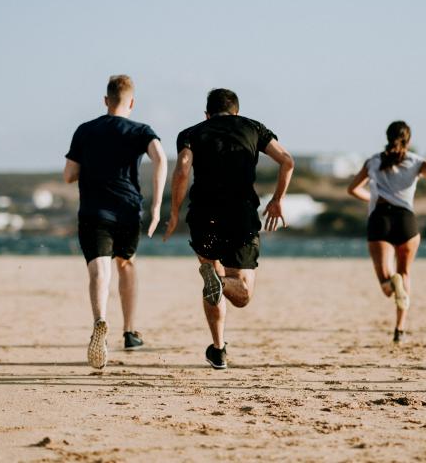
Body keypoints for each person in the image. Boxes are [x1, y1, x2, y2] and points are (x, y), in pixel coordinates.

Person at [164, 88, 294, 370]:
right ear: (236, 111)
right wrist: (277, 199)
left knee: (211, 276)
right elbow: (287, 161)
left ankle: (219, 348)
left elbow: (183, 169)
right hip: (241, 217)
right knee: (243, 293)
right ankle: (221, 283)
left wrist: (174, 212)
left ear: (207, 114)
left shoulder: (191, 132)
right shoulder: (253, 127)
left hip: (203, 216)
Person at [64, 75, 167, 369]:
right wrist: (157, 205)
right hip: (128, 210)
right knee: (125, 263)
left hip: (94, 212)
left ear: (106, 100)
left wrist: (90, 168)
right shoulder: (141, 131)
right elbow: (160, 157)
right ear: (131, 102)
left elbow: (68, 175)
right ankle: (130, 331)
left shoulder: (85, 130)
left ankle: (100, 321)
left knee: (99, 269)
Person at [347, 121, 426, 343]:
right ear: (408, 140)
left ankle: (391, 283)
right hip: (406, 221)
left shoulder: (374, 161)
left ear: (388, 137)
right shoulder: (418, 162)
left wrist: (372, 198)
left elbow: (352, 189)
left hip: (380, 220)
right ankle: (400, 328)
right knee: (405, 273)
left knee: (387, 285)